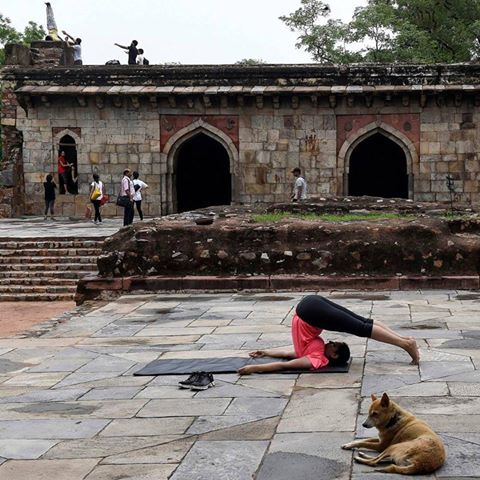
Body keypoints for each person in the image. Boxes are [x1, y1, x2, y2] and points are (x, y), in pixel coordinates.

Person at [238, 295, 420, 375]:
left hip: (311, 308)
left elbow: (285, 362)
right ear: (332, 357)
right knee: (361, 325)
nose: (331, 341)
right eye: (334, 344)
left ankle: (405, 342)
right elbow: (287, 359)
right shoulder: (315, 356)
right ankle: (404, 341)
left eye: (334, 344)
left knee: (362, 325)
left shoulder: (313, 357)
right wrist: (263, 357)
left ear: (333, 354)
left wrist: (261, 359)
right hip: (311, 310)